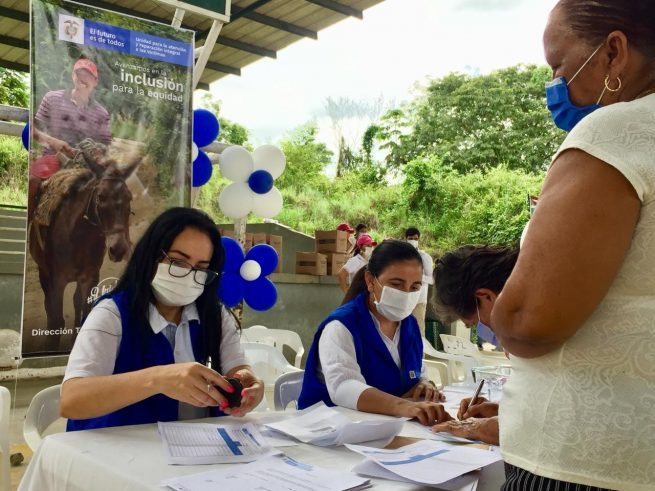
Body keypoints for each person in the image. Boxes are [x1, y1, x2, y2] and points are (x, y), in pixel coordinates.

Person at [494, 2, 655, 489]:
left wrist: (499, 313)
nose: (555, 86)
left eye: (559, 66)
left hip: (582, 459)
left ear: (614, 52)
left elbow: (529, 321)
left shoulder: (615, 133)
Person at [60, 208, 264, 430]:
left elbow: (238, 369)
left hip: (199, 448)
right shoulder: (112, 314)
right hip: (125, 453)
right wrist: (157, 379)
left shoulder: (214, 315)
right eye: (177, 262)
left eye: (201, 269)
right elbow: (72, 400)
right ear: (151, 256)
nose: (189, 276)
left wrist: (250, 385)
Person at [299, 240, 450, 426]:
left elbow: (417, 371)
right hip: (331, 433)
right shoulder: (341, 326)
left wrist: (424, 385)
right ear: (371, 281)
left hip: (386, 430)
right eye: (396, 284)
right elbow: (343, 387)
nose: (406, 294)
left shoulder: (409, 325)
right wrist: (404, 406)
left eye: (414, 287)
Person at [431, 244, 518, 445]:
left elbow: (537, 425)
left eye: (473, 324)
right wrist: (500, 410)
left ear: (486, 297)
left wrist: (475, 427)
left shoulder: (545, 330)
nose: (482, 332)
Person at [28, 57, 111, 221]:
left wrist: (97, 154)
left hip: (87, 165)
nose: (82, 79)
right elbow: (32, 131)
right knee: (33, 181)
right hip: (53, 157)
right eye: (79, 74)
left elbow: (106, 145)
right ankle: (30, 230)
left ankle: (110, 239)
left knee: (114, 192)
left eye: (88, 77)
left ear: (95, 82)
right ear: (73, 75)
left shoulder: (101, 113)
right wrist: (54, 143)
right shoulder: (52, 98)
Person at [404, 227, 434, 337]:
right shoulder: (400, 256)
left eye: (415, 238)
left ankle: (420, 354)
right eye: (410, 238)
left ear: (419, 239)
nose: (413, 240)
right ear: (406, 239)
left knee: (419, 331)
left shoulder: (425, 257)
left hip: (419, 300)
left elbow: (432, 280)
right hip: (403, 299)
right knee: (403, 332)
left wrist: (417, 277)